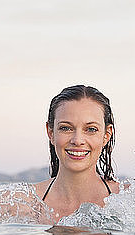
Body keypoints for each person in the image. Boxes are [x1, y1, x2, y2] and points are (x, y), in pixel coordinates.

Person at [33, 85, 121, 221]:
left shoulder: (130, 201)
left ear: (106, 135)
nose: (77, 140)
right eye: (66, 128)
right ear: (51, 132)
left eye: (91, 129)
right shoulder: (22, 204)